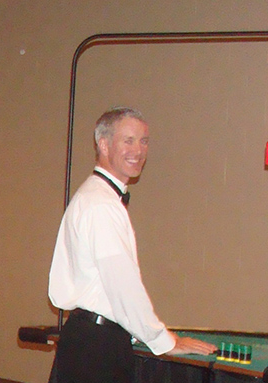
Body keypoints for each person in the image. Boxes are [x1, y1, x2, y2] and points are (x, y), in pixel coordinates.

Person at [48, 107, 217, 383]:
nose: (138, 150)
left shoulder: (96, 197)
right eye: (128, 140)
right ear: (103, 144)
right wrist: (163, 340)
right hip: (97, 348)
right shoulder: (102, 204)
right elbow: (122, 286)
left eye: (144, 141)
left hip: (89, 340)